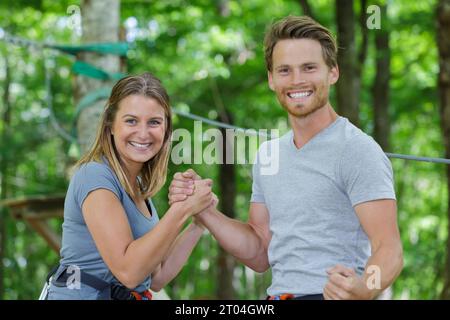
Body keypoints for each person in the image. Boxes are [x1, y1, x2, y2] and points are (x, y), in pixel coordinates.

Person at [168, 16, 403, 300]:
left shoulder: (357, 150)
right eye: (284, 70)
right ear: (271, 79)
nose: (297, 80)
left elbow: (389, 249)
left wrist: (366, 287)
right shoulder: (268, 154)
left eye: (309, 68)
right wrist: (202, 209)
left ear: (333, 72)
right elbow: (259, 252)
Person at [46, 72, 214, 300]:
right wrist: (181, 209)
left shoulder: (139, 187)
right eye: (131, 121)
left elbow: (157, 277)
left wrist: (198, 220)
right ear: (111, 125)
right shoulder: (95, 176)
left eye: (154, 122)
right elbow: (129, 272)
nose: (143, 133)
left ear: (166, 131)